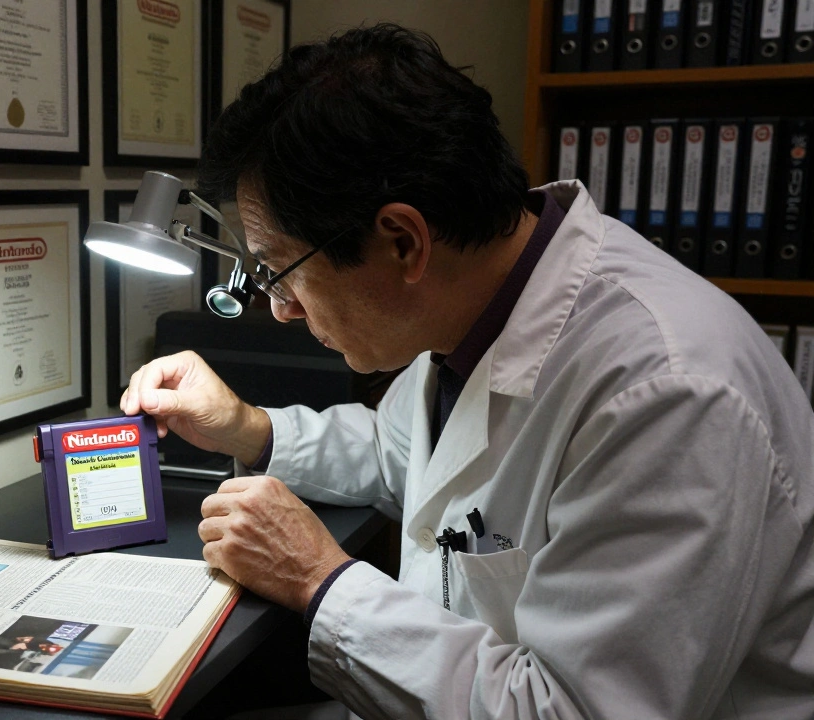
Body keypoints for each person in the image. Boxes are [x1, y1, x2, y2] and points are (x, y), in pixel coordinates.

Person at [120, 23, 814, 720]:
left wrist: (318, 579)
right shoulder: (478, 303)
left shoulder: (664, 394)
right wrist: (244, 427)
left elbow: (572, 711)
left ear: (402, 241)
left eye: (284, 271)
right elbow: (408, 455)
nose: (283, 311)